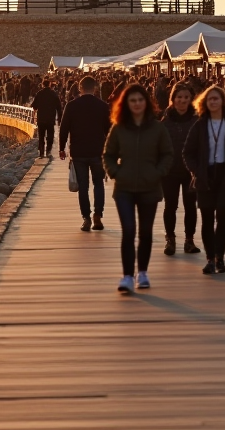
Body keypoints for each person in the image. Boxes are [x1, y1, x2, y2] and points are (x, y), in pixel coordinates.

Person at [103, 84, 173, 294]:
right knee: (129, 231)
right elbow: (108, 154)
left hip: (149, 187)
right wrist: (116, 172)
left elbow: (167, 154)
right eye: (132, 100)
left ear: (146, 102)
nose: (136, 104)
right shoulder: (119, 127)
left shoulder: (158, 128)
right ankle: (126, 276)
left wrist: (157, 173)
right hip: (124, 188)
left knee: (145, 232)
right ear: (126, 103)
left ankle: (142, 272)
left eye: (140, 100)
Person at [183, 85, 225, 274]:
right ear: (204, 102)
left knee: (222, 217)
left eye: (216, 98)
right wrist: (196, 171)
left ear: (223, 101)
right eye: (209, 99)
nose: (213, 102)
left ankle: (220, 258)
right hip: (205, 174)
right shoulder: (200, 125)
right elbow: (188, 152)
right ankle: (210, 258)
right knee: (206, 218)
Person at [58, 76, 111, 232]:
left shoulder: (71, 105)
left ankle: (86, 218)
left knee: (83, 187)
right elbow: (109, 130)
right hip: (98, 151)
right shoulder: (102, 106)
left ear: (80, 88)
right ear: (95, 88)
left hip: (78, 152)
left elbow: (63, 128)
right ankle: (98, 216)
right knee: (98, 184)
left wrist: (62, 148)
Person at [161, 82, 201, 256]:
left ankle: (189, 240)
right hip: (169, 171)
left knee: (190, 205)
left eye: (186, 97)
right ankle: (170, 238)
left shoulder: (197, 120)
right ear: (173, 99)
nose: (182, 100)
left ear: (191, 99)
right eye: (179, 97)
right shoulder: (165, 121)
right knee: (170, 205)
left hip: (190, 171)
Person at [31, 79, 62, 158]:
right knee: (50, 135)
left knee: (41, 136)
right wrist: (59, 119)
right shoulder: (53, 94)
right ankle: (48, 151)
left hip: (41, 119)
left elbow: (34, 106)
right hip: (50, 119)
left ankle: (41, 152)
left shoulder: (39, 94)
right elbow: (59, 107)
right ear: (50, 84)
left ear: (42, 85)